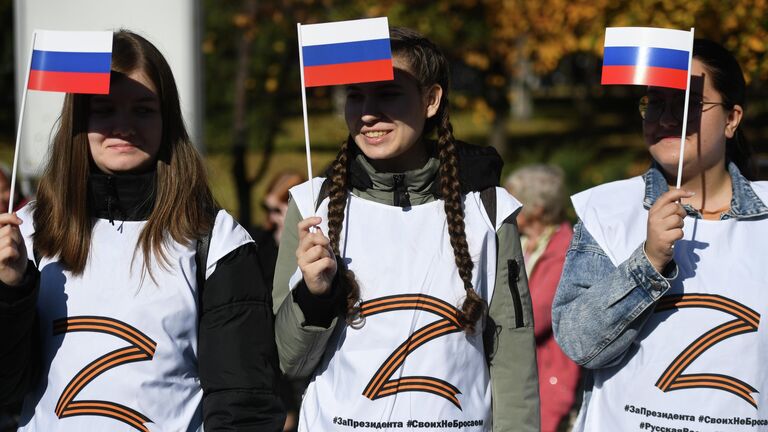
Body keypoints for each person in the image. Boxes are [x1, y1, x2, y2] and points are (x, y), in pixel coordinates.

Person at [0, 30, 284, 431]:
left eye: (144, 110)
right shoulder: (29, 231)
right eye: (104, 109)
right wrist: (10, 292)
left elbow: (244, 403)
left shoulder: (216, 239)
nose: (124, 127)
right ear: (80, 121)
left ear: (167, 121)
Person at [272, 27, 539, 431]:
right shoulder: (311, 205)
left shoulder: (488, 208)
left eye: (389, 94)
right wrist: (314, 296)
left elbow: (512, 358)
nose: (367, 112)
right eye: (356, 95)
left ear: (430, 100)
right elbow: (289, 362)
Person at [552, 39, 767, 431]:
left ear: (733, 118)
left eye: (688, 104)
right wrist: (647, 262)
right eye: (655, 102)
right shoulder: (609, 212)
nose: (667, 117)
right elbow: (579, 344)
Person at [505, 165, 580, 432]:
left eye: (514, 198)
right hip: (514, 372)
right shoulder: (518, 242)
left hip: (545, 378)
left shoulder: (564, 251)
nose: (507, 204)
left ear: (536, 207)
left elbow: (533, 317)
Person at [248, 170, 307, 432]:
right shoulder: (257, 246)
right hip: (265, 365)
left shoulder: (313, 251)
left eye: (277, 210)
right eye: (266, 209)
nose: (271, 219)